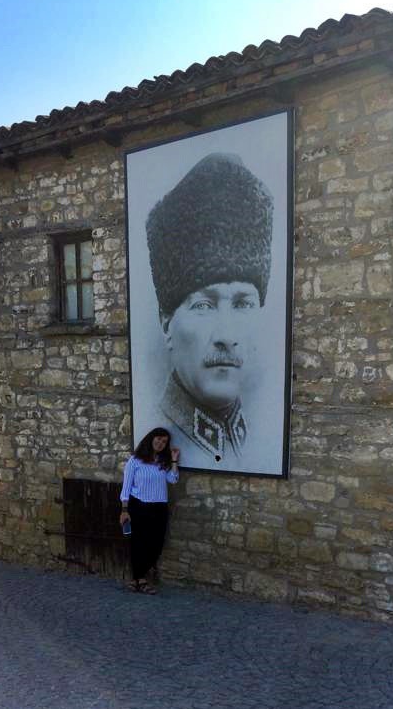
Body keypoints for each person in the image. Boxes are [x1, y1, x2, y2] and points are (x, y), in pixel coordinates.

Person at [145, 152, 273, 469]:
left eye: (243, 303)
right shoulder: (160, 433)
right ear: (166, 324)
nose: (227, 336)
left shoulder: (255, 437)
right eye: (204, 305)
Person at [119, 427, 180, 594]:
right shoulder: (135, 461)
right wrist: (124, 510)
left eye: (164, 441)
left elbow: (173, 480)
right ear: (151, 439)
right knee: (139, 543)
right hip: (138, 506)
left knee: (156, 545)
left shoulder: (162, 461)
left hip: (159, 507)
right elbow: (126, 487)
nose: (160, 443)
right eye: (158, 439)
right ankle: (140, 580)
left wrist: (174, 460)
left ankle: (137, 578)